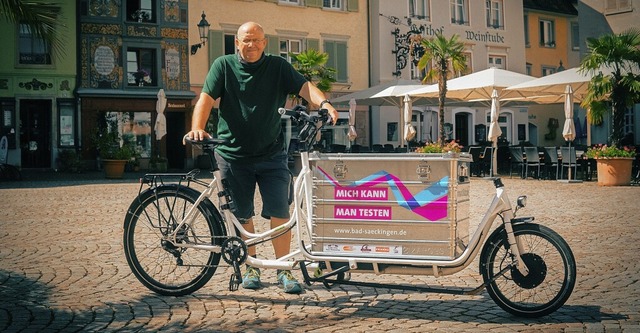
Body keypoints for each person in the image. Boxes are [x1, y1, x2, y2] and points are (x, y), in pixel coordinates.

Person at [183, 22, 339, 294]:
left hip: (272, 153)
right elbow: (206, 98)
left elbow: (305, 87)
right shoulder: (223, 65)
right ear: (237, 43)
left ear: (265, 42)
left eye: (256, 40)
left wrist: (324, 103)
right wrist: (198, 126)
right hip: (232, 155)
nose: (251, 44)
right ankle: (251, 266)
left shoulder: (278, 67)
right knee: (242, 214)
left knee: (280, 211)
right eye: (246, 40)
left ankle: (283, 269)